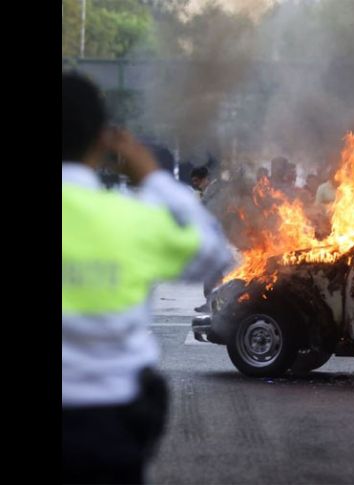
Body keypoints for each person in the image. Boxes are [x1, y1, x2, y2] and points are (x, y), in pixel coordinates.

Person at [62, 73, 233, 483]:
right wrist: (154, 178)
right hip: (113, 425)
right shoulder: (132, 219)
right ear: (104, 140)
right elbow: (215, 254)